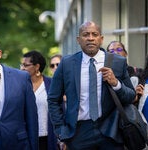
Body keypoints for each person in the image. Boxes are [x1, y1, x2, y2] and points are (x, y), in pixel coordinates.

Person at [48, 21, 135, 150]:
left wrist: (116, 83)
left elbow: (131, 96)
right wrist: (61, 130)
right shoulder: (67, 63)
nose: (90, 38)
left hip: (110, 131)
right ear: (78, 39)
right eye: (85, 34)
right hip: (78, 133)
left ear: (101, 39)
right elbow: (53, 99)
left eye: (94, 34)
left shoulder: (117, 62)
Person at [20, 50, 58, 150]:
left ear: (37, 66)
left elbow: (60, 110)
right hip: (26, 138)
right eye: (21, 65)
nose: (22, 68)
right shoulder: (19, 86)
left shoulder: (52, 84)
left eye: (25, 65)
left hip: (49, 137)